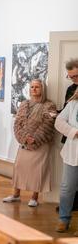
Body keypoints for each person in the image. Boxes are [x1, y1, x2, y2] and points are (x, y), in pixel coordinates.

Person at [3, 79, 56, 207]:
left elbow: (48, 124)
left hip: (40, 144)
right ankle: (16, 195)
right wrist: (25, 138)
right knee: (19, 168)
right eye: (32, 87)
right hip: (24, 143)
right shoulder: (24, 104)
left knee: (37, 171)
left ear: (42, 89)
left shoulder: (49, 105)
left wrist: (35, 139)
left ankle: (34, 197)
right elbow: (18, 123)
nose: (34, 89)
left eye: (37, 87)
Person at [56, 87, 78, 233]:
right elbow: (59, 122)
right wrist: (74, 132)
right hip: (73, 153)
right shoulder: (73, 104)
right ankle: (64, 219)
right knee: (67, 189)